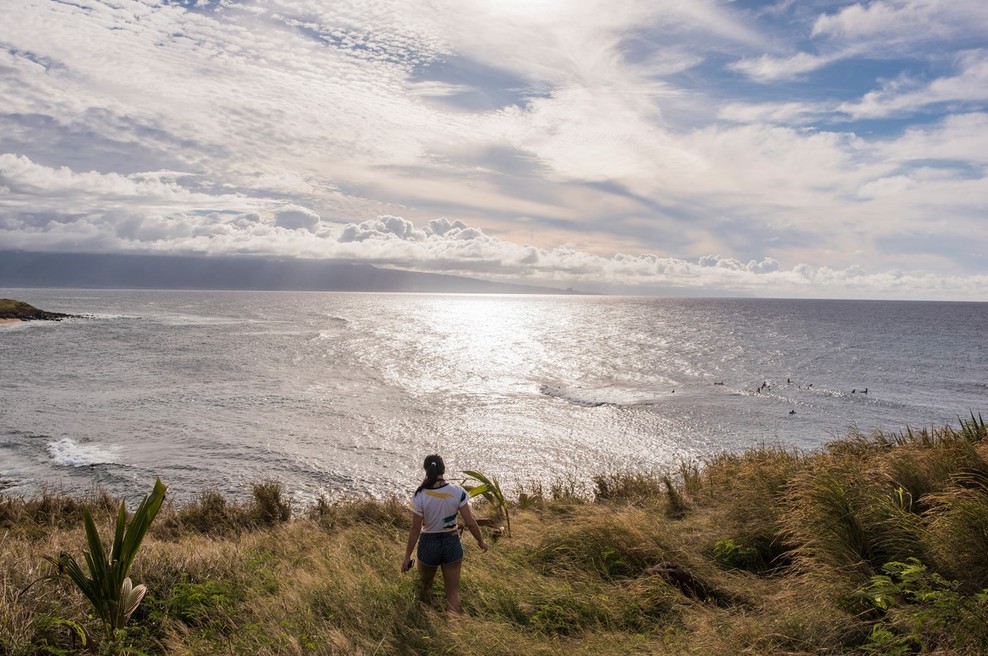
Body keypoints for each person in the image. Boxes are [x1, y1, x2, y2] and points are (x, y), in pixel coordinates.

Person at [402, 454, 489, 614]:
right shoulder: (457, 491)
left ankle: (426, 623)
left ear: (426, 470)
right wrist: (481, 541)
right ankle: (454, 631)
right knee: (453, 592)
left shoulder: (420, 495)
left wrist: (407, 556)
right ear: (444, 469)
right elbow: (470, 522)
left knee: (426, 587)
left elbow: (415, 529)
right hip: (452, 543)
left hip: (429, 545)